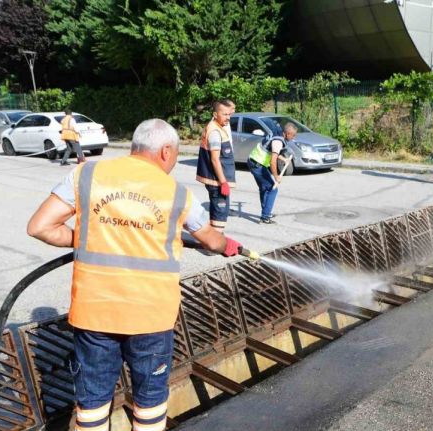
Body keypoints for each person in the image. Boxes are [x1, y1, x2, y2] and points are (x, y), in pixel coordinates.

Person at [26, 119, 255, 431]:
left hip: (95, 314)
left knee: (91, 406)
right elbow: (212, 240)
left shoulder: (87, 174)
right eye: (174, 156)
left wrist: (80, 238)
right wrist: (227, 245)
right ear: (165, 151)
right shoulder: (177, 194)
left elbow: (40, 226)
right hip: (151, 317)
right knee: (149, 403)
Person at [196, 100, 236, 231]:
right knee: (220, 210)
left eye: (229, 114)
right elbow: (215, 159)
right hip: (217, 181)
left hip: (216, 180)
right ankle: (213, 244)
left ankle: (215, 238)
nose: (228, 117)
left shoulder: (217, 127)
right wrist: (223, 182)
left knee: (218, 209)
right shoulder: (214, 132)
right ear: (215, 114)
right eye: (224, 114)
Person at [247, 122, 296, 224]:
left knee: (264, 188)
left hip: (254, 161)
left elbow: (271, 151)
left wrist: (283, 159)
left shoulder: (276, 135)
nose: (294, 137)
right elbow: (272, 161)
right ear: (287, 134)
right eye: (293, 135)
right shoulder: (278, 142)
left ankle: (266, 212)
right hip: (257, 165)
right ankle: (265, 216)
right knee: (273, 189)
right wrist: (276, 176)